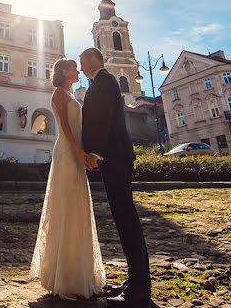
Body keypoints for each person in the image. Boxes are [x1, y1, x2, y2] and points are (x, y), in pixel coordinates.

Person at [79, 47, 152, 306]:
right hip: (116, 158)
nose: (80, 66)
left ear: (92, 59)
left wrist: (94, 152)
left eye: (82, 61)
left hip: (115, 157)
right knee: (126, 220)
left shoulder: (104, 80)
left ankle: (138, 291)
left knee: (127, 221)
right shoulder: (101, 82)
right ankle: (136, 282)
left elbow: (102, 120)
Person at [29, 58, 106, 300]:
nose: (77, 71)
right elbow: (65, 128)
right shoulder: (58, 94)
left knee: (77, 207)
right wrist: (78, 152)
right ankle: (63, 280)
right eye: (74, 67)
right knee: (66, 207)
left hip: (76, 151)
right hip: (67, 151)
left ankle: (75, 273)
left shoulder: (72, 95)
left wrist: (86, 151)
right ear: (64, 71)